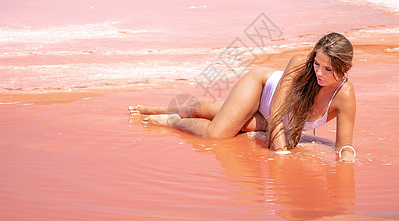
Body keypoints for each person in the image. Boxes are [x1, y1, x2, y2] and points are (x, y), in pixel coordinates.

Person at [129, 32, 356, 162]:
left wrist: (347, 161)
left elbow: (344, 146)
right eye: (317, 63)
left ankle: (159, 110)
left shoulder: (344, 95)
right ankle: (170, 120)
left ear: (344, 67)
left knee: (217, 114)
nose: (319, 72)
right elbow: (277, 115)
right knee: (216, 134)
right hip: (261, 89)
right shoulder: (300, 64)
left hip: (272, 121)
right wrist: (281, 152)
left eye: (328, 69)